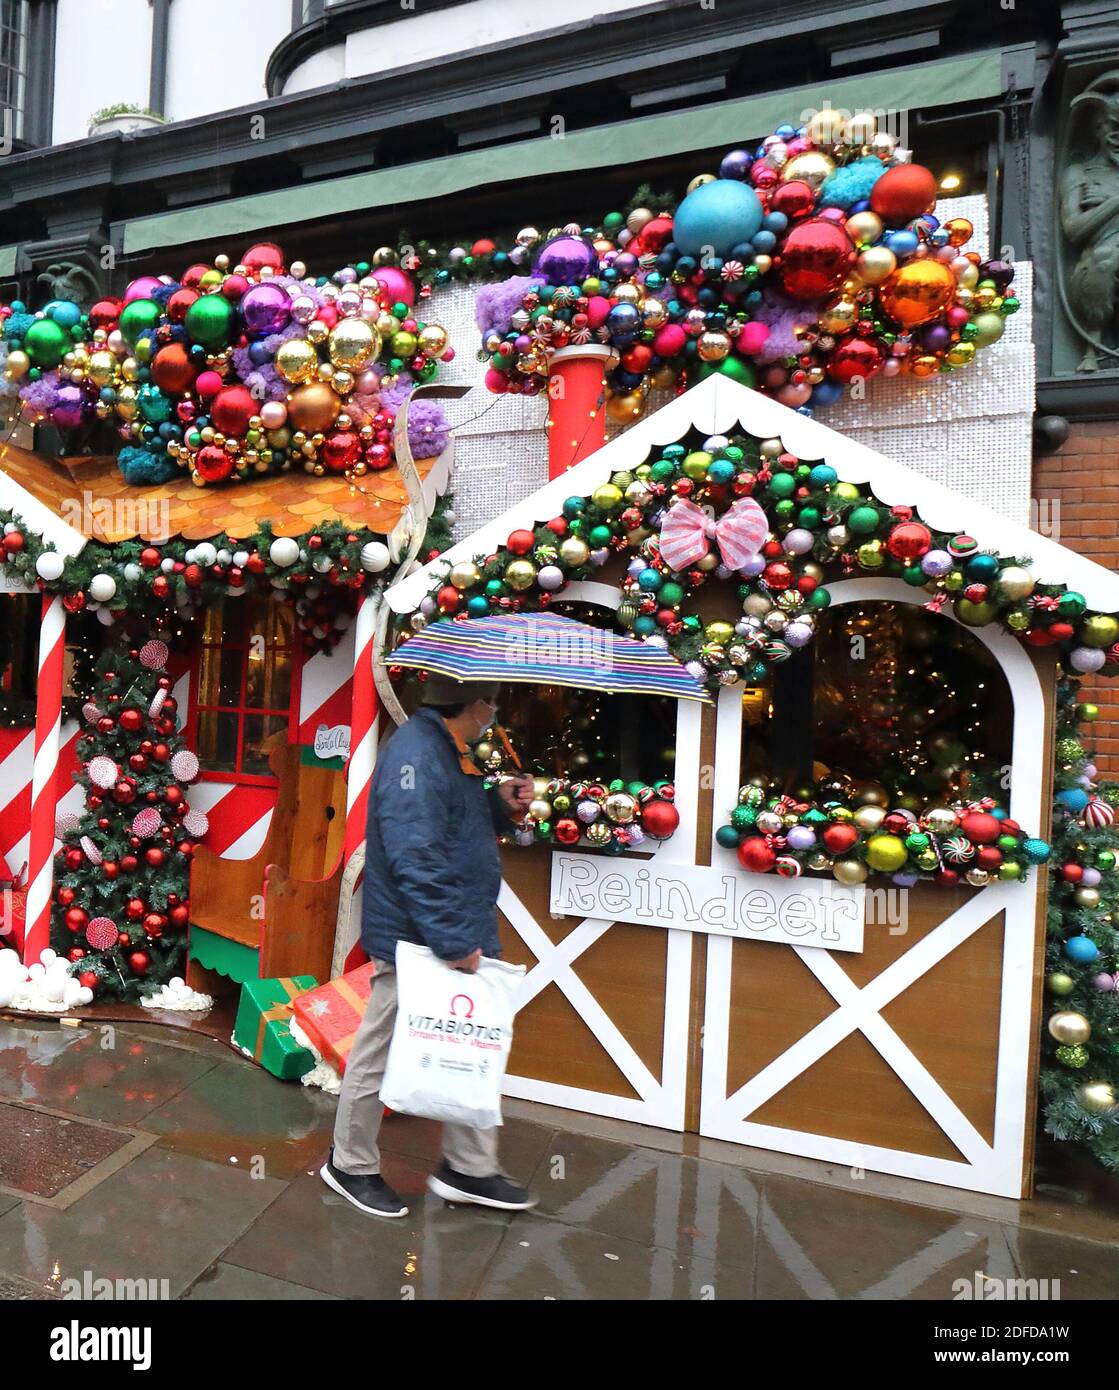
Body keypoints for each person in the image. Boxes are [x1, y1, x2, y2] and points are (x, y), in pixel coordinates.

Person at [321, 673, 536, 1218]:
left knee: (471, 1044)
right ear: (477, 704)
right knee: (378, 1050)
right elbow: (416, 854)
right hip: (419, 941)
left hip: (445, 931)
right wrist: (454, 938)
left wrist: (497, 802)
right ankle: (349, 1163)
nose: (494, 713)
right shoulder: (418, 753)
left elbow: (450, 827)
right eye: (492, 703)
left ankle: (470, 1168)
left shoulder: (445, 749)